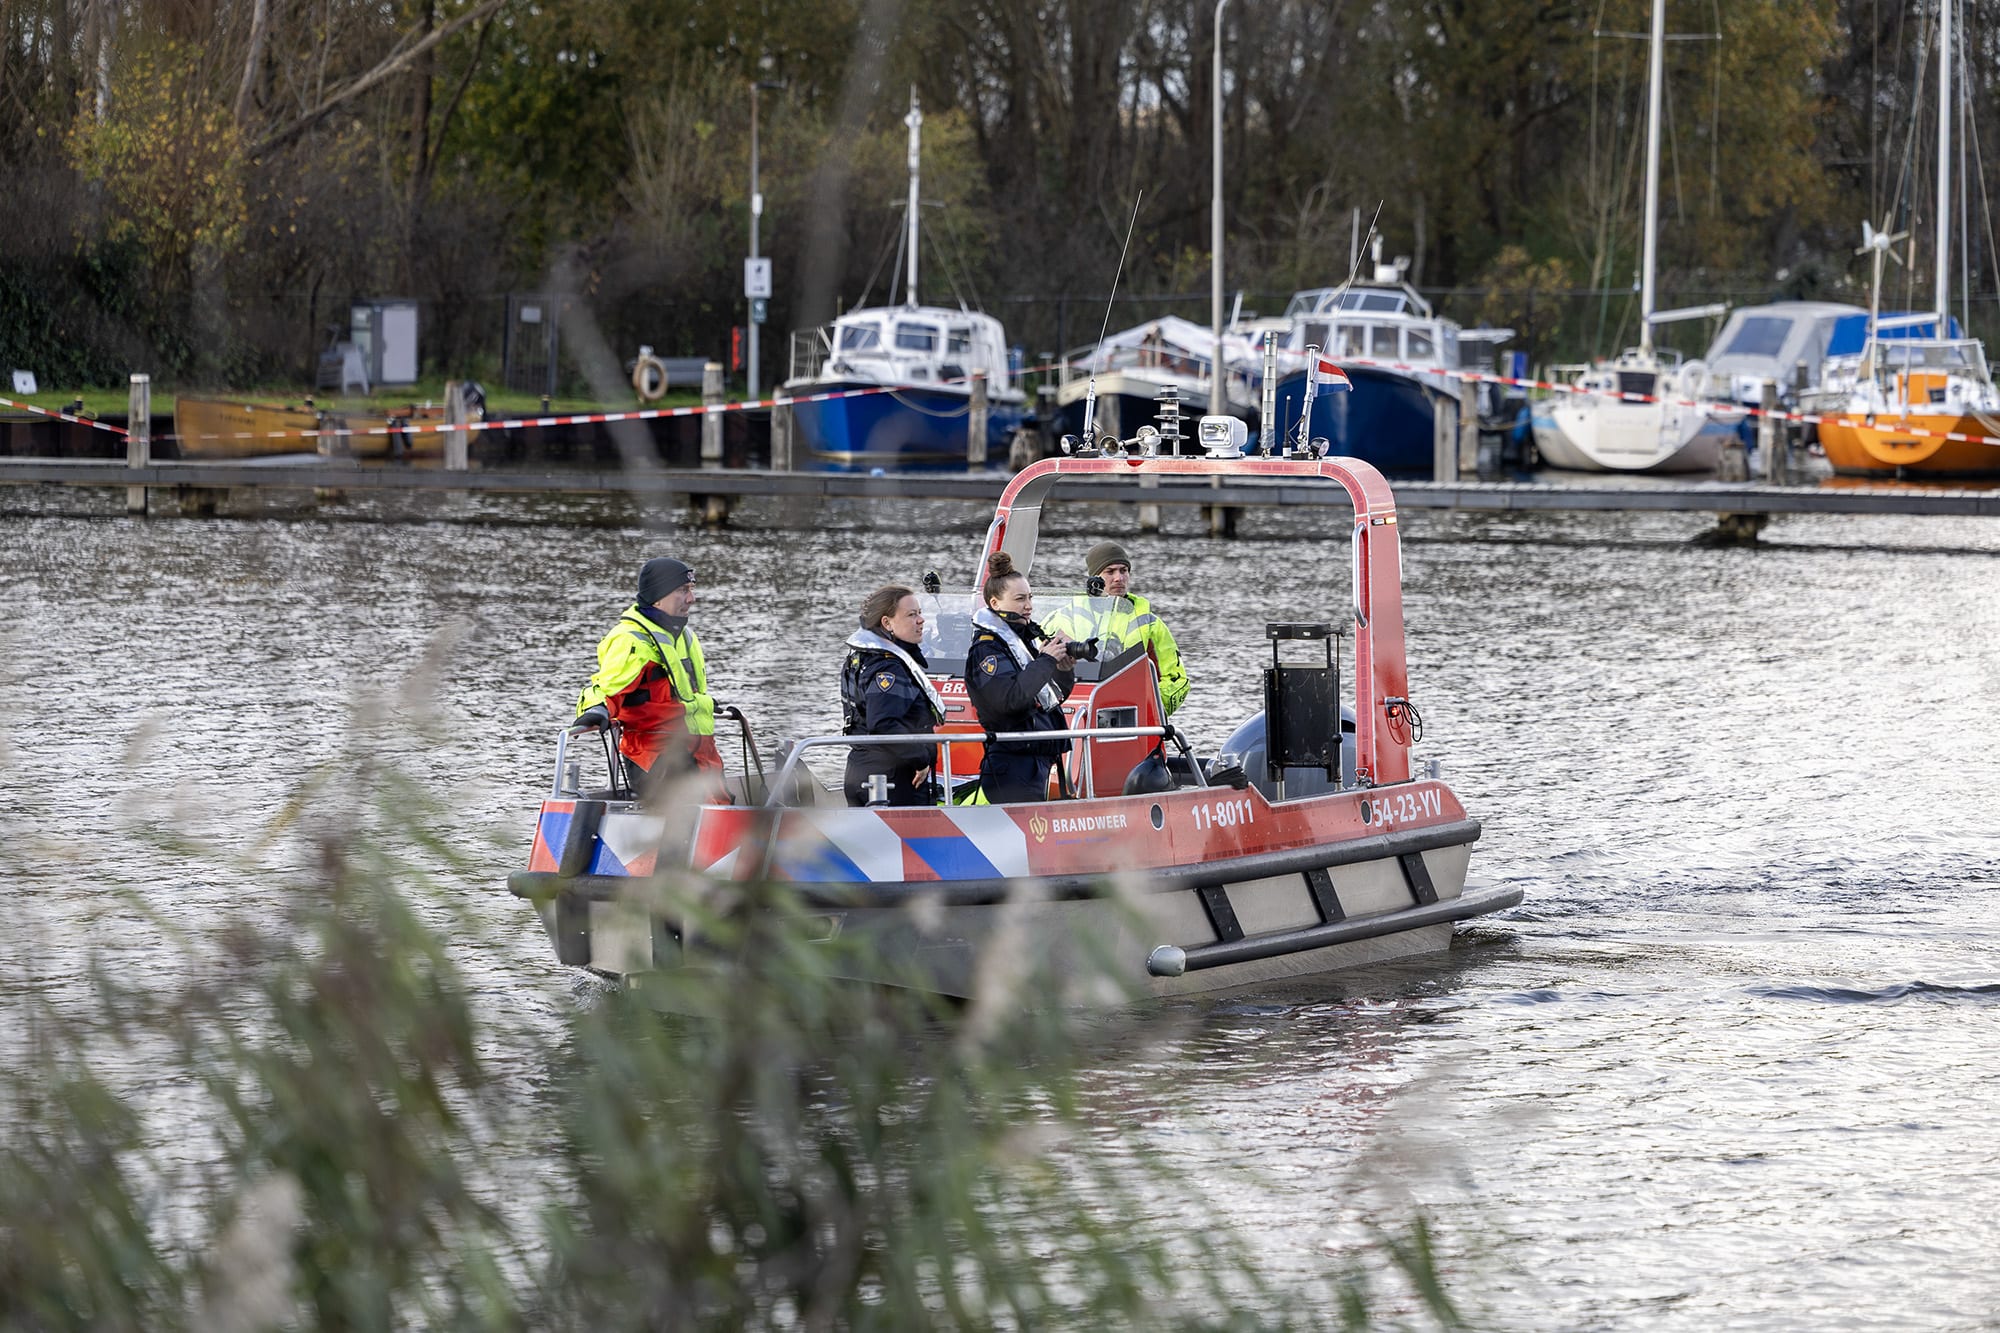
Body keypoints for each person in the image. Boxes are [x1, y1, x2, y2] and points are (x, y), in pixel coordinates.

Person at [574, 556, 723, 791]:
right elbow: (607, 691)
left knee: (722, 809)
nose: (691, 599)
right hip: (658, 759)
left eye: (691, 590)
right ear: (658, 597)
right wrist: (596, 709)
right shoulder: (631, 639)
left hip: (699, 753)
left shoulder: (685, 636)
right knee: (692, 817)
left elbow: (680, 692)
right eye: (683, 590)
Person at [964, 551, 1076, 803]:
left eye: (1029, 598)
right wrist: (1046, 660)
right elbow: (1010, 700)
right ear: (995, 603)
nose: (1028, 605)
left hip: (1036, 759)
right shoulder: (988, 649)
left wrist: (1064, 669)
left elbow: (1050, 699)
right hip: (1012, 764)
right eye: (1019, 599)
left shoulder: (1024, 641)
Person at [1044, 540, 1189, 715]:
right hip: (1072, 711)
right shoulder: (1063, 617)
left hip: (1130, 715)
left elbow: (1177, 679)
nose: (1119, 578)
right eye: (1110, 571)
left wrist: (1150, 710)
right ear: (1094, 578)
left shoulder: (1150, 623)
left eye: (1124, 570)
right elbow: (1036, 668)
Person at [840, 585, 946, 806]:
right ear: (887, 623)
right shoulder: (888, 667)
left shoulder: (862, 657)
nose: (921, 620)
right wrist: (921, 759)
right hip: (891, 777)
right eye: (911, 615)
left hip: (863, 770)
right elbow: (884, 723)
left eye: (919, 613)